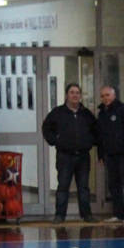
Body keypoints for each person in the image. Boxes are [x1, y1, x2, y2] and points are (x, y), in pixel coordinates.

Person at [41, 83, 97, 223]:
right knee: (63, 186)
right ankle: (60, 215)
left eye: (77, 92)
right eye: (72, 92)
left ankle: (87, 215)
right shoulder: (57, 112)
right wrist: (55, 141)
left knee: (83, 187)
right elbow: (46, 128)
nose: (75, 95)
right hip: (65, 156)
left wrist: (89, 142)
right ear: (67, 95)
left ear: (80, 95)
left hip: (83, 156)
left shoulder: (86, 114)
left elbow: (96, 130)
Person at [96, 85, 124, 223]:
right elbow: (100, 136)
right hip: (110, 155)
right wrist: (100, 154)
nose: (105, 98)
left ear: (114, 95)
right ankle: (118, 214)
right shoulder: (102, 114)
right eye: (102, 96)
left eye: (107, 95)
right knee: (114, 185)